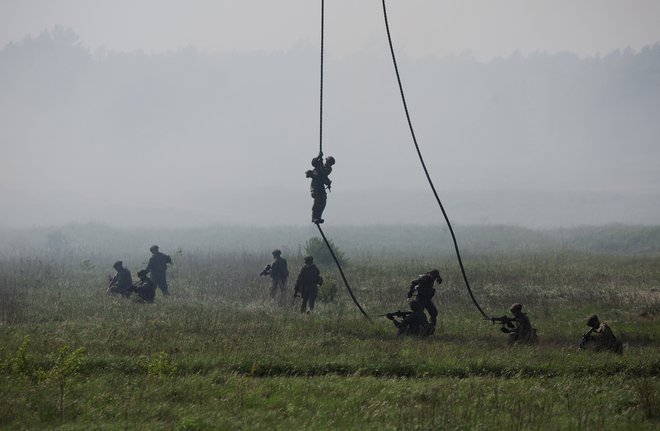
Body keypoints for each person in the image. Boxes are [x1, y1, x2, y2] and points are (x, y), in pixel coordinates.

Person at [305, 154, 335, 224]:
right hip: (315, 185)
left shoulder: (328, 169)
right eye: (328, 162)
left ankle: (318, 217)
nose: (328, 164)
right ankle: (314, 217)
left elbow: (323, 173)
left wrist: (320, 164)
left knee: (323, 201)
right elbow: (313, 163)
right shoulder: (319, 164)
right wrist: (318, 157)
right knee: (317, 199)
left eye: (330, 163)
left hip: (320, 185)